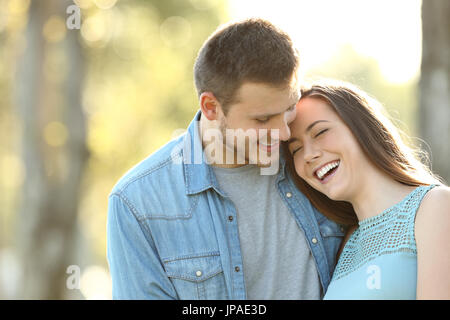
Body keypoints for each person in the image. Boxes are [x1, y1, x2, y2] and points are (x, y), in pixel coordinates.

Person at [106, 18, 345, 299]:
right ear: (211, 107)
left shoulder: (316, 164)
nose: (282, 133)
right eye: (263, 119)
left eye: (289, 108)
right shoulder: (138, 203)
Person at [285, 79, 450, 299]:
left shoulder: (435, 205)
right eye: (296, 149)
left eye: (320, 132)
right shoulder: (348, 242)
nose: (308, 155)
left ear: (360, 127)